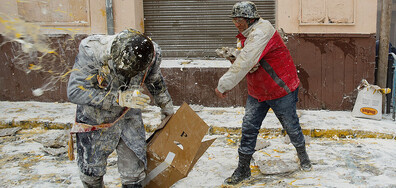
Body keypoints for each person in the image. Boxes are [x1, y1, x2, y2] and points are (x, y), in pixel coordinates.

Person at [215, 1, 312, 185]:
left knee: (291, 126)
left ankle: (303, 155)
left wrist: (223, 85)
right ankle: (243, 168)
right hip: (258, 91)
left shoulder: (262, 31)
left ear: (250, 19)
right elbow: (251, 62)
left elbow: (246, 61)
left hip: (280, 89)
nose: (236, 23)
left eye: (239, 20)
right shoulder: (246, 34)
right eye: (234, 20)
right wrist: (234, 55)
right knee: (248, 128)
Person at [67, 28, 174, 188]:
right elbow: (74, 91)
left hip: (128, 119)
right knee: (91, 173)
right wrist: (117, 98)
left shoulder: (151, 53)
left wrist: (166, 105)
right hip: (96, 119)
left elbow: (154, 79)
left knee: (134, 173)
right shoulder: (92, 51)